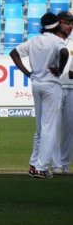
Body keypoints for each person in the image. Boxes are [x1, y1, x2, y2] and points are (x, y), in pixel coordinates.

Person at [10, 12, 69, 179]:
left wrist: (28, 73)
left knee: (40, 128)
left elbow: (14, 53)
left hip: (36, 83)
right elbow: (64, 53)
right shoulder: (57, 40)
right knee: (49, 127)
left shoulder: (34, 40)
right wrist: (60, 70)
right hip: (51, 84)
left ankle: (34, 164)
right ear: (57, 25)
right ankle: (41, 168)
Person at [51, 11, 73, 174]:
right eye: (66, 22)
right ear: (59, 23)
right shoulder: (51, 41)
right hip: (54, 87)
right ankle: (56, 163)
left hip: (71, 88)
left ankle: (64, 163)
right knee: (53, 127)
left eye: (71, 23)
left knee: (69, 128)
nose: (70, 25)